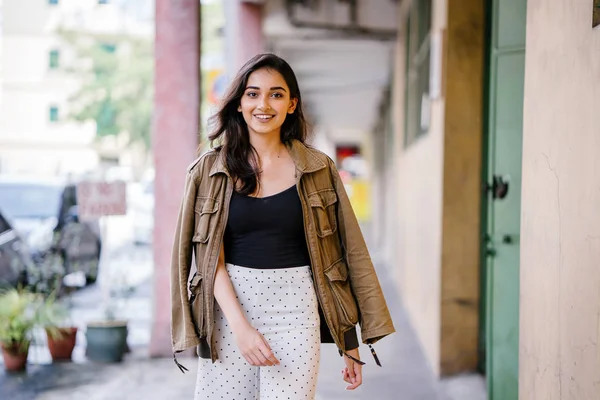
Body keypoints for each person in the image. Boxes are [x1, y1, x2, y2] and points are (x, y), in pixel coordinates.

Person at [170, 53, 395, 400]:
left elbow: (346, 255)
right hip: (228, 312)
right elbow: (207, 257)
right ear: (239, 104)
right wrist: (241, 328)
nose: (264, 104)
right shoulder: (209, 170)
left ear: (291, 104)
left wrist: (349, 341)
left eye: (276, 94)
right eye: (253, 93)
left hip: (296, 311)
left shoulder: (319, 169)